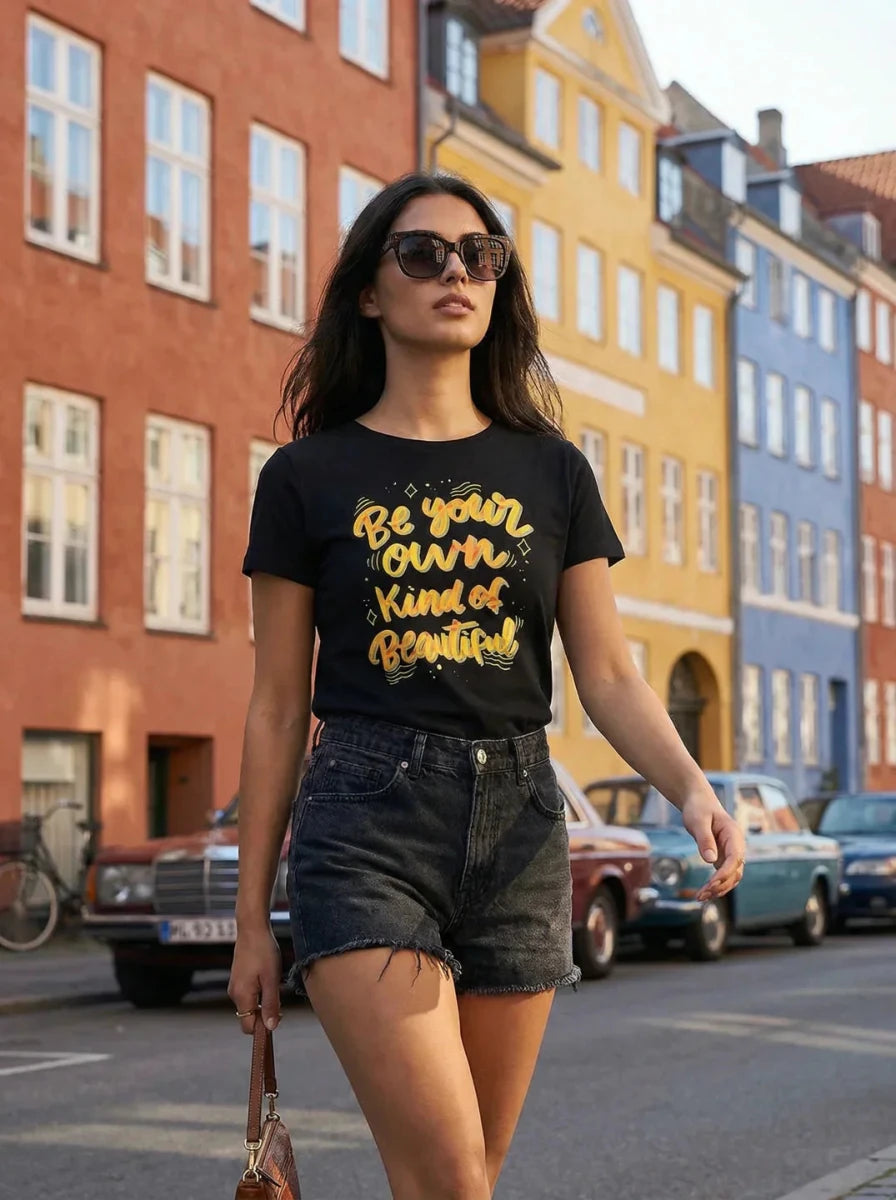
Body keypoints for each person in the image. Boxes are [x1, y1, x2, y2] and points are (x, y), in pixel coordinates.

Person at [229, 170, 746, 1200]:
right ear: (369, 293)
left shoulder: (550, 471)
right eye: (422, 254)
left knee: (470, 1175)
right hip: (367, 827)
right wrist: (252, 920)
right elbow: (280, 704)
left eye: (480, 256)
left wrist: (691, 787)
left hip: (517, 825)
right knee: (449, 1176)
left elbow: (604, 673)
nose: (455, 272)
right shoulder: (305, 478)